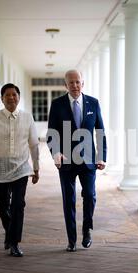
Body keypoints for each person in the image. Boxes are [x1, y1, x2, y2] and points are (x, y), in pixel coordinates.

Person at [47, 70, 107, 252]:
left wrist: (101, 157)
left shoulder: (93, 103)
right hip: (66, 160)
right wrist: (55, 153)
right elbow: (51, 134)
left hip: (88, 160)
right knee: (69, 200)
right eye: (71, 83)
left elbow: (100, 132)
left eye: (77, 82)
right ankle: (71, 239)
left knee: (90, 195)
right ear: (65, 85)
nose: (74, 85)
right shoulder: (57, 105)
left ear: (83, 83)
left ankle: (86, 229)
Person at [0, 83, 40, 257]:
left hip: (21, 168)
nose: (11, 98)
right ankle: (10, 233)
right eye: (7, 95)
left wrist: (36, 167)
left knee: (18, 205)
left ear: (19, 97)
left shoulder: (27, 118)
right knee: (2, 204)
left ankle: (14, 243)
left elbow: (34, 144)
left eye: (14, 94)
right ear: (2, 98)